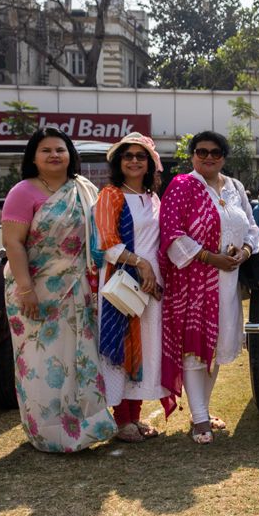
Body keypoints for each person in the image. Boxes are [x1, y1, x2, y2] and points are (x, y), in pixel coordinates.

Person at [1, 128, 116, 452]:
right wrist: (26, 291)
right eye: (46, 150)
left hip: (78, 289)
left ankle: (87, 426)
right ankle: (48, 434)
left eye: (60, 149)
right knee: (40, 364)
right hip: (34, 289)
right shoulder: (23, 192)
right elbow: (13, 242)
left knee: (78, 358)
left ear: (70, 155)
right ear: (33, 158)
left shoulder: (83, 189)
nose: (54, 155)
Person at [159, 131, 259, 444]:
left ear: (224, 157)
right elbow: (172, 233)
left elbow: (253, 228)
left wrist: (243, 252)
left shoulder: (235, 187)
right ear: (192, 156)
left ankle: (200, 411)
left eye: (215, 152)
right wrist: (208, 257)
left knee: (215, 349)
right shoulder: (182, 186)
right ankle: (200, 419)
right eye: (201, 151)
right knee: (195, 348)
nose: (208, 157)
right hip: (193, 280)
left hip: (227, 281)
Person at [96, 133, 167, 443]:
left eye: (141, 156)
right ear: (119, 163)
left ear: (150, 163)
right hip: (123, 281)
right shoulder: (111, 195)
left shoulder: (153, 197)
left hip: (153, 285)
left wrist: (156, 277)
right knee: (123, 350)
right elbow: (106, 243)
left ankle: (135, 419)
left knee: (145, 351)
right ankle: (121, 421)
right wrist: (142, 265)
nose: (135, 160)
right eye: (128, 156)